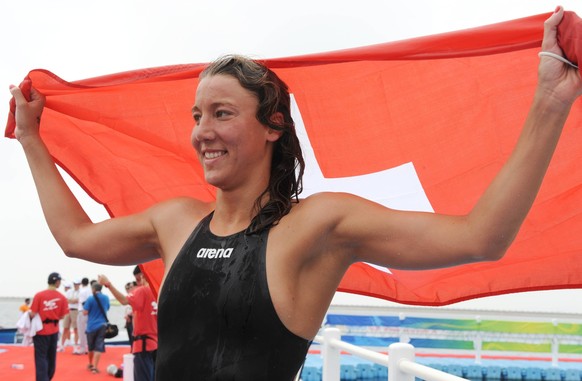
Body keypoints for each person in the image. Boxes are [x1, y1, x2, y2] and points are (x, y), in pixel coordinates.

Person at [8, 8, 582, 380]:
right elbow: (76, 238)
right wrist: (33, 139)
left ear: (273, 126)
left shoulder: (317, 226)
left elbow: (480, 237)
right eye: (196, 115)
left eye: (223, 113)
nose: (202, 131)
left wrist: (550, 104)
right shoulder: (176, 221)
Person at [99, 267, 158, 381]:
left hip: (143, 345)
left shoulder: (142, 291)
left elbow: (123, 300)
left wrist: (108, 284)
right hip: (156, 344)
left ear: (142, 276)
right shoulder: (158, 290)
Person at [29, 272, 69, 381]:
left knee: (41, 357)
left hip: (40, 332)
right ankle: (48, 377)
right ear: (57, 282)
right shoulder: (62, 297)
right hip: (54, 331)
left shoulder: (39, 295)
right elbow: (62, 316)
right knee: (52, 357)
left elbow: (32, 313)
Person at [83, 282, 110, 374]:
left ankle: (90, 364)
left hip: (91, 326)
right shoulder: (106, 298)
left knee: (91, 347)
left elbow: (85, 312)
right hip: (102, 324)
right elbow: (107, 308)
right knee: (99, 346)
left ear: (93, 289)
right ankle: (95, 367)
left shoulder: (90, 299)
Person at [60, 279, 80, 351]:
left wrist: (72, 300)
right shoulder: (69, 291)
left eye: (77, 284)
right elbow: (66, 300)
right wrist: (73, 300)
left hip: (76, 311)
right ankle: (62, 346)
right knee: (65, 328)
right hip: (68, 310)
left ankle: (75, 347)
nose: (76, 285)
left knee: (76, 329)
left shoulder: (81, 292)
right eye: (74, 283)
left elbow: (78, 300)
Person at [74, 277, 90, 355]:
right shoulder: (90, 290)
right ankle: (88, 347)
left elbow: (83, 302)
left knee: (81, 331)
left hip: (82, 311)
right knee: (87, 330)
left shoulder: (82, 291)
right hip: (89, 312)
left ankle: (83, 348)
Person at [123, 281, 138, 348]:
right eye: (126, 288)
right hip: (128, 319)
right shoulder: (128, 297)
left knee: (133, 336)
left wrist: (130, 315)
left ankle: (134, 349)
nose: (128, 289)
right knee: (130, 336)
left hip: (133, 319)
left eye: (130, 287)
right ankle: (132, 349)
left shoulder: (135, 296)